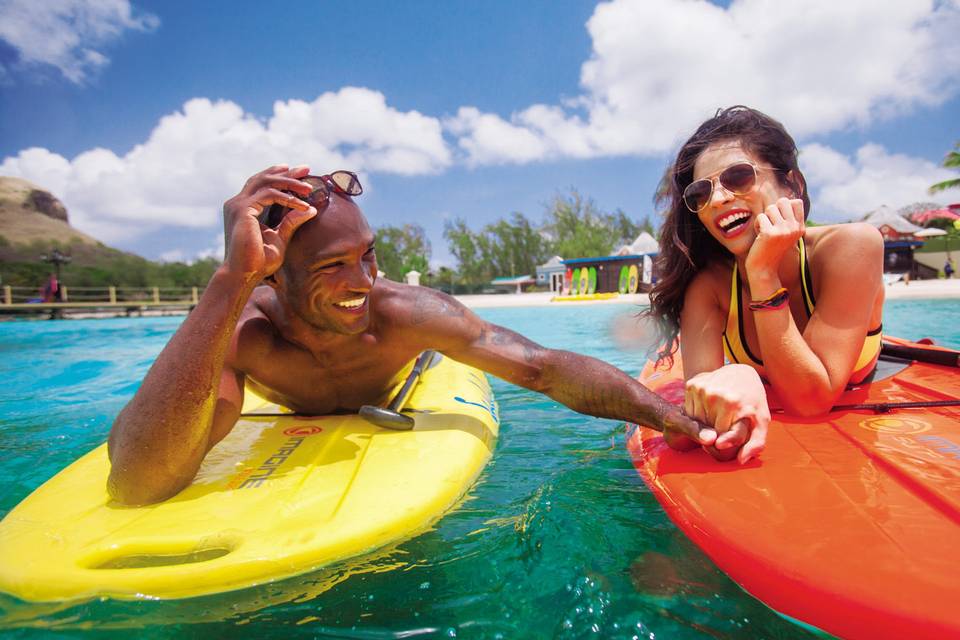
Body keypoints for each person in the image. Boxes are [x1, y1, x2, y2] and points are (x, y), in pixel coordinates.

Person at [107, 165, 715, 505]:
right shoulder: (245, 335)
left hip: (410, 374)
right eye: (330, 267)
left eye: (368, 255)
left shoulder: (407, 314)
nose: (363, 282)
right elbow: (139, 479)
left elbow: (542, 367)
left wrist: (665, 416)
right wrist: (229, 281)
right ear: (273, 275)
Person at [645, 106, 884, 464]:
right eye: (701, 192)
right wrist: (733, 381)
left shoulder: (851, 246)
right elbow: (702, 420)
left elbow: (811, 402)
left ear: (793, 184)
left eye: (738, 177)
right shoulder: (708, 287)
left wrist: (761, 272)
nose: (720, 198)